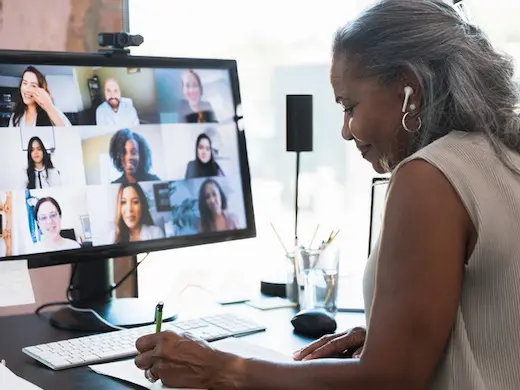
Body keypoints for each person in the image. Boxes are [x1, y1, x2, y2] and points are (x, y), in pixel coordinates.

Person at [133, 1, 520, 389]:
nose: (346, 131)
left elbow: (388, 381)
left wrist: (219, 368)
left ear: (409, 90)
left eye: (350, 106)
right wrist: (391, 340)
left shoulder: (429, 177)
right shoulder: (502, 155)